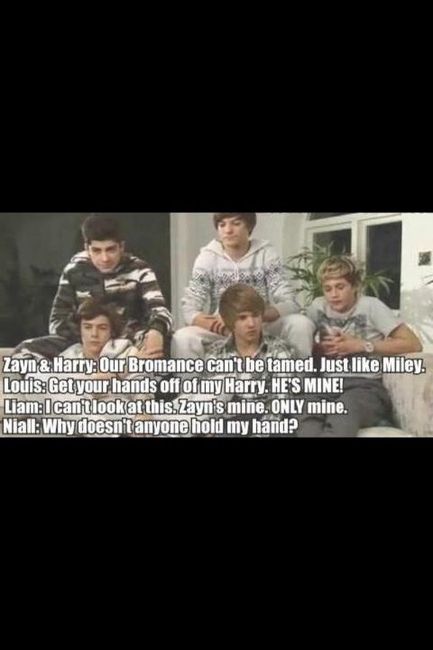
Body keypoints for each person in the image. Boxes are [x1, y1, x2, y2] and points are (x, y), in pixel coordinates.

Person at [12, 214, 173, 364]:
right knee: (23, 352)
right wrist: (89, 337)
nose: (104, 258)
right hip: (82, 342)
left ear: (121, 247)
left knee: (158, 349)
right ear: (87, 247)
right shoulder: (74, 270)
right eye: (97, 250)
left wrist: (156, 331)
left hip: (129, 342)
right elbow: (57, 321)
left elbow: (160, 310)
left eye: (110, 249)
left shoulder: (139, 269)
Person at [143, 284, 297, 437]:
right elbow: (208, 405)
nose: (251, 324)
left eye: (255, 315)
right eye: (243, 318)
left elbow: (279, 408)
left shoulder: (279, 351)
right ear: (230, 321)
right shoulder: (216, 353)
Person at [297, 255, 423, 437]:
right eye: (328, 289)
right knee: (304, 415)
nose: (333, 294)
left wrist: (361, 345)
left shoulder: (372, 306)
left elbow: (413, 343)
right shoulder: (317, 307)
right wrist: (319, 349)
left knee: (343, 414)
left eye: (340, 287)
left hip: (364, 386)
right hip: (325, 384)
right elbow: (306, 345)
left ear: (355, 286)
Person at [172, 212, 314, 360]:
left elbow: (290, 302)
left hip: (259, 323)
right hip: (222, 326)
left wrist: (254, 316)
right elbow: (190, 307)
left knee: (301, 324)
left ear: (249, 226)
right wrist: (220, 322)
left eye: (236, 223)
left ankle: (300, 374)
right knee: (183, 338)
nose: (228, 230)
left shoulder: (266, 253)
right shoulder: (207, 257)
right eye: (222, 225)